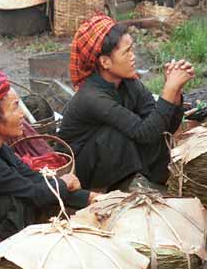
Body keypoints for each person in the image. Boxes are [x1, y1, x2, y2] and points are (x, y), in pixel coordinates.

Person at [0, 60, 95, 247]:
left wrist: (89, 197)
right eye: (15, 107)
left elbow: (32, 177)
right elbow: (32, 192)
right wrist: (64, 182)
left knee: (24, 194)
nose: (22, 114)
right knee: (18, 200)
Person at [58, 14, 194, 192]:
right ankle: (126, 187)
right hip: (81, 170)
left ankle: (154, 179)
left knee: (149, 126)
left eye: (132, 49)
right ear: (105, 62)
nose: (133, 57)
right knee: (115, 135)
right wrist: (167, 90)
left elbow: (160, 127)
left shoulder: (128, 83)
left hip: (115, 160)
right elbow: (145, 133)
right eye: (126, 52)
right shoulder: (92, 97)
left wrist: (175, 92)